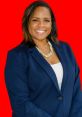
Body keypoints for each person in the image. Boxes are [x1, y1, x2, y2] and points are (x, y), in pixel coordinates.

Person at [5, 0, 82, 117]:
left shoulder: (66, 49)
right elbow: (20, 103)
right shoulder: (17, 56)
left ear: (52, 24)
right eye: (35, 20)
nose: (41, 25)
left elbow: (76, 91)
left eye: (46, 20)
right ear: (27, 23)